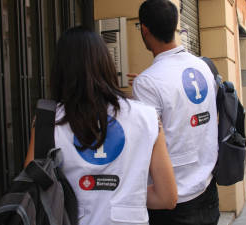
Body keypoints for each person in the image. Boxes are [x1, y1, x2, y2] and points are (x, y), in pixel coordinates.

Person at [25, 26, 177, 225]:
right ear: (107, 64)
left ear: (61, 69)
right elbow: (167, 197)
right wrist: (126, 196)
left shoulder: (47, 121)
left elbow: (34, 190)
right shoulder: (148, 117)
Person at [129, 0, 220, 224]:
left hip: (174, 202)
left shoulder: (148, 82)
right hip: (208, 189)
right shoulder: (203, 67)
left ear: (144, 29)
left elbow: (146, 142)